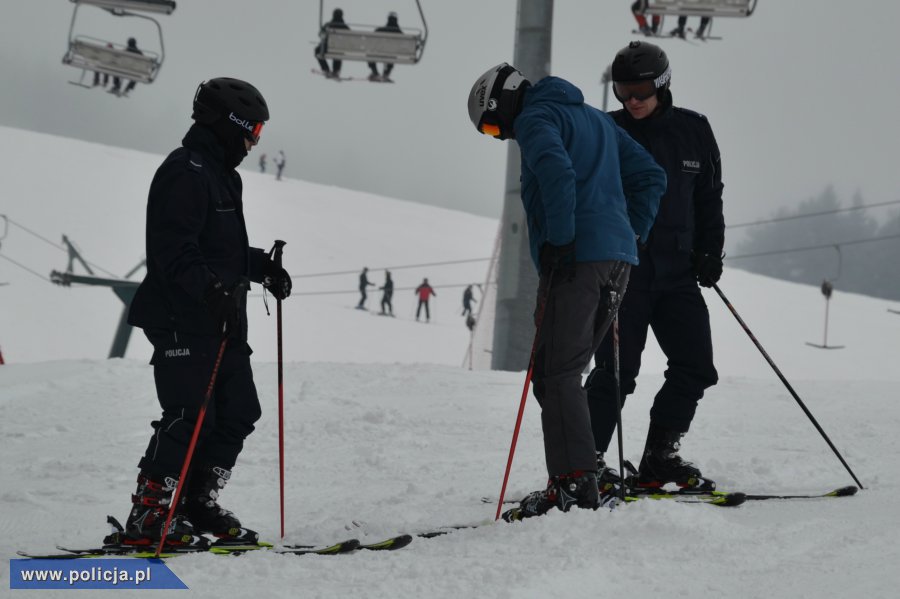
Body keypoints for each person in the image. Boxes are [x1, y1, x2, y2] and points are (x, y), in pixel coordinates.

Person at [467, 64, 665, 520]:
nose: (502, 136)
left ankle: (574, 484)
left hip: (578, 260)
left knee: (556, 373)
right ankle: (581, 473)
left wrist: (561, 239)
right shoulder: (595, 119)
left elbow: (556, 172)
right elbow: (651, 176)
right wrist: (628, 234)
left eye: (494, 127)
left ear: (503, 103)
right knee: (561, 371)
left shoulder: (535, 118)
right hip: (617, 261)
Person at [123, 77, 293, 548]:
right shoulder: (185, 171)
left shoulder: (222, 176)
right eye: (252, 129)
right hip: (182, 315)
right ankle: (150, 514)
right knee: (190, 414)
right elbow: (173, 249)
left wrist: (262, 267)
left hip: (222, 319)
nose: (254, 141)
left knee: (239, 410)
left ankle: (194, 502)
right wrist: (210, 291)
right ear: (228, 123)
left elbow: (221, 250)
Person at [585, 41, 725, 497]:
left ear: (662, 85)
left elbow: (709, 198)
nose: (632, 101)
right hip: (624, 274)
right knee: (615, 373)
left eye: (640, 91)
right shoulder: (605, 131)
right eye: (623, 92)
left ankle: (658, 458)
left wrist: (710, 251)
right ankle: (584, 466)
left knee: (695, 365)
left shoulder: (694, 130)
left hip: (679, 273)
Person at [367, 12, 402, 82]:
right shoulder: (400, 33)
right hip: (391, 55)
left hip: (378, 52)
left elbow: (371, 41)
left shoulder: (379, 30)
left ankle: (375, 73)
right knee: (392, 55)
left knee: (370, 54)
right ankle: (386, 74)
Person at [315, 8, 350, 79]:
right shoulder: (344, 26)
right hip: (339, 48)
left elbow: (320, 34)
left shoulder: (328, 24)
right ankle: (336, 70)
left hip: (327, 47)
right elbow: (350, 37)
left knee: (317, 51)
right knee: (338, 52)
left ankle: (326, 69)